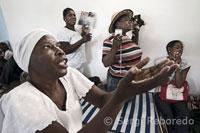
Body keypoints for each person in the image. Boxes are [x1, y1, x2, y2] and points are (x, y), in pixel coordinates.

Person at [0, 29, 177, 133]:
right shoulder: (20, 100)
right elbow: (113, 101)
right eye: (47, 47)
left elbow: (103, 100)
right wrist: (121, 97)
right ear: (28, 64)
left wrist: (128, 89)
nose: (60, 51)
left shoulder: (69, 75)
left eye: (58, 46)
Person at [102, 9, 143, 92]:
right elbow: (106, 63)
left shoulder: (127, 38)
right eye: (126, 20)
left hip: (130, 78)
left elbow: (134, 48)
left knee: (127, 101)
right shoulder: (109, 40)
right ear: (117, 24)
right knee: (117, 103)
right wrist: (115, 46)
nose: (130, 22)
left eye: (129, 20)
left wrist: (136, 33)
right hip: (117, 81)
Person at [154, 40, 191, 133]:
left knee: (183, 117)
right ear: (169, 49)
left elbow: (179, 84)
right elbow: (162, 82)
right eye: (178, 47)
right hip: (162, 93)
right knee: (169, 118)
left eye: (182, 48)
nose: (180, 50)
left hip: (177, 94)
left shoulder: (186, 63)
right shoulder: (160, 61)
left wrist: (177, 65)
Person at [57, 8, 92, 73]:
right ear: (64, 18)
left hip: (79, 65)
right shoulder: (62, 32)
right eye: (70, 15)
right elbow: (64, 50)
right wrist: (83, 40)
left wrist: (83, 33)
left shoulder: (76, 30)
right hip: (71, 67)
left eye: (74, 15)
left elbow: (76, 43)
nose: (73, 17)